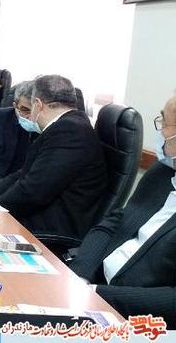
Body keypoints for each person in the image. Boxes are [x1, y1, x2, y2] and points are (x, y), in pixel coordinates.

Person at [70, 95, 176, 326]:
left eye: (165, 123)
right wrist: (79, 275)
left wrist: (97, 294)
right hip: (90, 285)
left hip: (136, 319)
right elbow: (114, 222)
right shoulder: (163, 172)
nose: (160, 132)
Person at [0, 75, 107, 239]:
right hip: (41, 213)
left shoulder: (70, 131)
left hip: (51, 228)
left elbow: (33, 192)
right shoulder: (66, 125)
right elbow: (23, 175)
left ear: (37, 104)